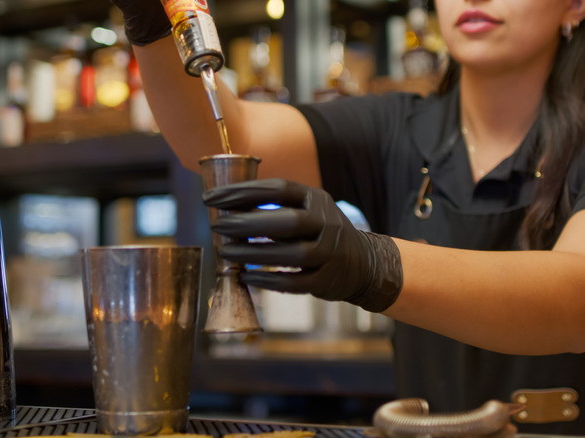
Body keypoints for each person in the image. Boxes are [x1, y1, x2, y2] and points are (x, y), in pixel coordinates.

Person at [110, 0, 585, 434]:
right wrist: (152, 28)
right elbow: (226, 137)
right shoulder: (399, 130)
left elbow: (575, 297)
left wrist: (375, 265)